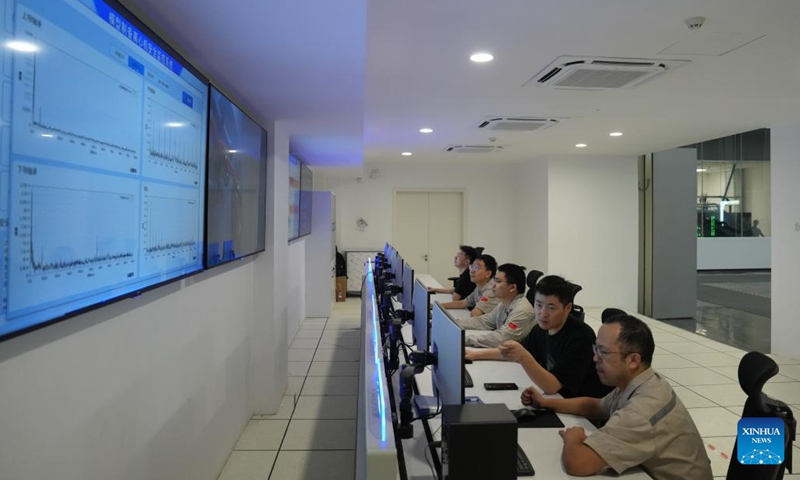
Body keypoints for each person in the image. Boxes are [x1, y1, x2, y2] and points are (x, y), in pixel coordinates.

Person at [520, 315, 712, 480]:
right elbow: (596, 406)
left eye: (603, 352)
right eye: (596, 349)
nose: (595, 358)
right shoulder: (640, 381)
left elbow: (577, 463)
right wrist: (545, 403)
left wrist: (573, 438)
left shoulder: (642, 411)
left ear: (633, 360)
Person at [465, 275, 610, 398]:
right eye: (539, 305)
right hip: (552, 399)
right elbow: (513, 351)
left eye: (551, 308)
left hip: (577, 408)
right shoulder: (541, 329)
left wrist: (523, 356)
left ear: (567, 308)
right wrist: (475, 355)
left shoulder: (581, 336)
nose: (542, 313)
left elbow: (552, 386)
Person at [454, 263, 535, 348]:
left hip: (517, 359)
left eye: (498, 281)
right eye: (494, 280)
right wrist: (455, 323)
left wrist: (464, 340)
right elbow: (484, 321)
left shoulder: (522, 310)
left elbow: (501, 339)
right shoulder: (504, 304)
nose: (493, 284)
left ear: (512, 288)